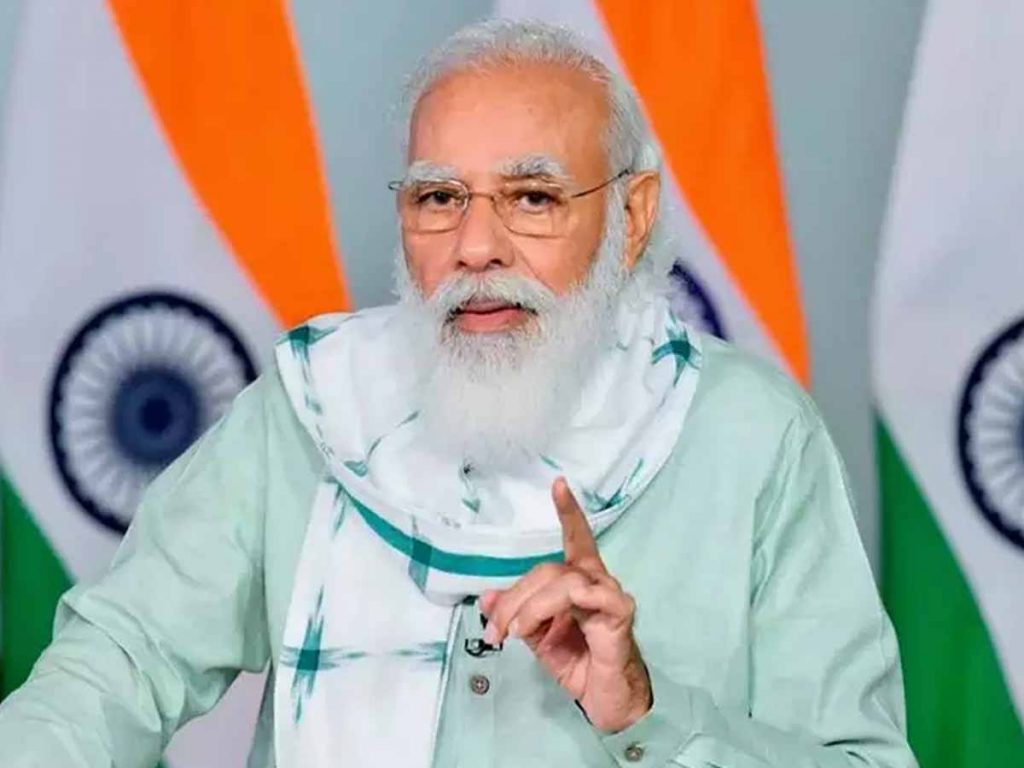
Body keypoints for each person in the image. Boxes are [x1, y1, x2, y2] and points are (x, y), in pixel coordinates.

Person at [0, 19, 916, 768]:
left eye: (532, 197)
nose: (475, 248)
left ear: (630, 218)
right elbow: (118, 664)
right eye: (439, 198)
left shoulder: (750, 436)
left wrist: (645, 713)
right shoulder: (318, 403)